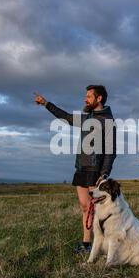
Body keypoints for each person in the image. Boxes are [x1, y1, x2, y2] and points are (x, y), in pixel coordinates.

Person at [34, 85, 117, 254]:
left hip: (95, 170)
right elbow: (66, 118)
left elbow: (111, 151)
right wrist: (45, 104)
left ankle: (105, 245)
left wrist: (104, 174)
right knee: (85, 207)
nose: (85, 99)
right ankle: (87, 245)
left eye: (88, 96)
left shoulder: (108, 121)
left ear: (99, 98)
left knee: (98, 210)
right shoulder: (88, 118)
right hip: (81, 167)